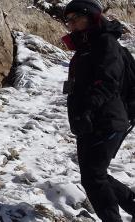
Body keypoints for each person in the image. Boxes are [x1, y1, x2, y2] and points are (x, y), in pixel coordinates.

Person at [61, 0, 135, 221]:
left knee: (93, 177)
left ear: (92, 17)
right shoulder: (86, 47)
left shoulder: (105, 43)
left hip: (106, 119)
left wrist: (87, 109)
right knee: (93, 175)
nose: (72, 24)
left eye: (77, 18)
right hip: (89, 121)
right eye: (69, 20)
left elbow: (108, 81)